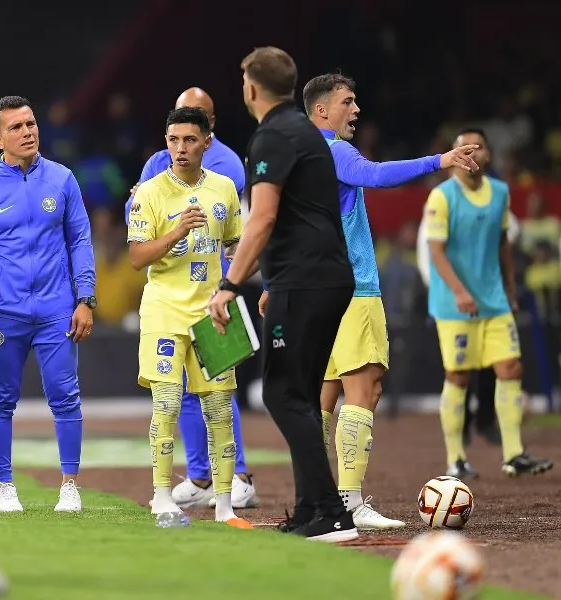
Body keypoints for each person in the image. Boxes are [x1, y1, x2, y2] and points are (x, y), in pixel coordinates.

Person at [301, 73, 480, 530]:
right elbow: (375, 176)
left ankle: (316, 497)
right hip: (353, 289)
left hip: (315, 292)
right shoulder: (335, 150)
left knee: (325, 396)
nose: (356, 110)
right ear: (322, 111)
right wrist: (440, 159)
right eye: (348, 101)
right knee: (365, 390)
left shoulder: (296, 156)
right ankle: (348, 500)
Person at [208, 47, 357, 542]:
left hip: (306, 279)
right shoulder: (306, 132)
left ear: (250, 86)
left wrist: (231, 284)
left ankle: (331, 512)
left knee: (280, 392)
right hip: (326, 276)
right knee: (301, 394)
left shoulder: (272, 135)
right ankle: (314, 509)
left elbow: (263, 218)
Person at [124, 87, 258, 510]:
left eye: (188, 140)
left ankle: (223, 504)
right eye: (172, 140)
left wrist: (235, 283)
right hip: (164, 308)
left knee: (219, 406)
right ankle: (162, 495)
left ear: (207, 141)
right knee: (165, 402)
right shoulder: (149, 191)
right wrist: (176, 232)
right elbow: (135, 257)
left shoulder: (225, 187)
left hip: (214, 310)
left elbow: (240, 248)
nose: (179, 149)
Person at [0, 95, 96, 513]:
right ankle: (4, 486)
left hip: (57, 308)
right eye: (17, 127)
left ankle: (69, 485)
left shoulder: (62, 179)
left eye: (31, 124)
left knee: (65, 396)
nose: (28, 132)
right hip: (3, 310)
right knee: (0, 399)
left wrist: (85, 298)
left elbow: (79, 240)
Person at [425, 128, 553, 479]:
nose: (469, 155)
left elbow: (502, 245)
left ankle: (514, 454)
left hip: (494, 300)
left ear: (487, 156)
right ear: (453, 157)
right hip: (454, 305)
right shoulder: (441, 197)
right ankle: (456, 459)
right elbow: (435, 250)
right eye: (461, 149)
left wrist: (510, 288)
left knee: (511, 368)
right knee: (459, 375)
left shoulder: (500, 193)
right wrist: (459, 291)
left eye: (475, 148)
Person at [418, 201, 518, 446]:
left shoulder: (489, 198)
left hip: (485, 296)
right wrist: (439, 290)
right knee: (458, 368)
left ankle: (485, 421)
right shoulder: (441, 203)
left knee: (491, 364)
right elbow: (427, 253)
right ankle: (460, 427)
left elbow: (512, 228)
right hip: (451, 300)